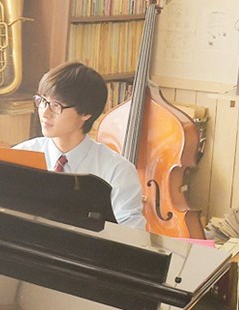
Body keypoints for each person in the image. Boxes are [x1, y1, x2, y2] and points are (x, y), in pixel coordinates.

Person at [13, 61, 146, 229]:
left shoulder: (117, 171)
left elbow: (131, 234)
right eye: (42, 101)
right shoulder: (20, 156)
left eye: (56, 105)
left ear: (86, 113)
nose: (45, 113)